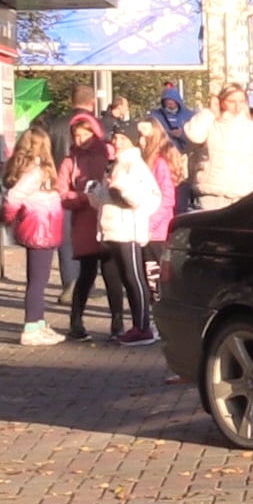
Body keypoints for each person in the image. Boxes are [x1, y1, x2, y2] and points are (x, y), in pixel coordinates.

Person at [87, 125, 161, 346]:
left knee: (134, 278)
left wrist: (119, 187)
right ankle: (128, 326)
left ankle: (143, 327)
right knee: (116, 279)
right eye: (115, 138)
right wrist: (94, 193)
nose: (116, 142)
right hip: (110, 230)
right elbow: (105, 199)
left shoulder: (135, 165)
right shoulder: (116, 165)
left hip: (127, 230)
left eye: (121, 138)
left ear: (132, 141)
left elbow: (144, 198)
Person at [1, 124, 66, 346]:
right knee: (38, 281)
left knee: (38, 279)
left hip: (42, 226)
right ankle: (31, 327)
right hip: (41, 228)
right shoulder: (35, 172)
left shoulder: (30, 170)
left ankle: (38, 322)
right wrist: (8, 217)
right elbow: (13, 197)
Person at [59, 111, 120, 340]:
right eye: (77, 135)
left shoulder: (109, 153)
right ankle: (76, 321)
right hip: (84, 222)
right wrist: (83, 198)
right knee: (86, 274)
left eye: (86, 133)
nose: (81, 139)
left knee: (112, 273)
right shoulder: (69, 161)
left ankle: (117, 323)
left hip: (109, 219)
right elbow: (62, 193)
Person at [184, 83, 253, 210]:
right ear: (220, 101)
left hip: (244, 196)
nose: (237, 107)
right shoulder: (210, 124)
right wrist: (210, 111)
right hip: (211, 196)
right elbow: (194, 135)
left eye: (241, 101)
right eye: (231, 101)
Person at [47, 87, 90, 301]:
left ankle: (70, 284)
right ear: (92, 102)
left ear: (71, 101)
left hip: (60, 190)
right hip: (89, 190)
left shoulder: (54, 125)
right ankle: (85, 283)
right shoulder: (97, 125)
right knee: (91, 237)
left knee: (66, 240)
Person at [137, 119, 183, 296]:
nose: (140, 141)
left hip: (156, 231)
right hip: (145, 228)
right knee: (146, 276)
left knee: (154, 276)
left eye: (144, 137)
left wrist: (150, 225)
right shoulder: (145, 162)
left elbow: (167, 199)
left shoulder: (160, 164)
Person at [151, 84, 192, 152]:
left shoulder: (188, 115)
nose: (170, 102)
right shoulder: (156, 116)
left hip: (184, 153)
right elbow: (153, 135)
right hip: (163, 152)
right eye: (167, 100)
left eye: (172, 100)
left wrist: (182, 135)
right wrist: (168, 133)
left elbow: (195, 137)